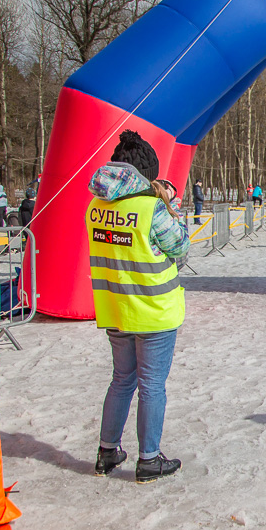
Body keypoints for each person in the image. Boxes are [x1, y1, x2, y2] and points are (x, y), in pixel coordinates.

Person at [87, 129, 189, 483]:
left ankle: (107, 450)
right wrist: (171, 208)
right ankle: (149, 458)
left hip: (116, 308)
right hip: (154, 310)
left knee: (121, 381)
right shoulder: (150, 207)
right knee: (152, 384)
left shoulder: (96, 205)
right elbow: (179, 247)